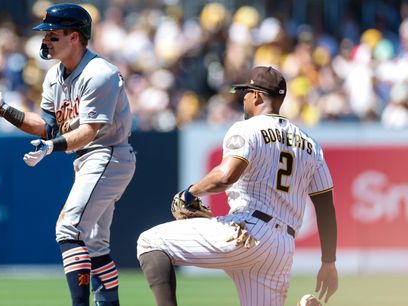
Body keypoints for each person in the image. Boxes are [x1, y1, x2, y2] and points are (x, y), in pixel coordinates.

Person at [0, 4, 136, 306]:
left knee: (68, 228)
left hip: (108, 154)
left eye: (53, 34)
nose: (45, 39)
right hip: (89, 158)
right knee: (95, 244)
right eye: (45, 34)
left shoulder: (100, 73)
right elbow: (47, 127)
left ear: (75, 37)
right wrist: (2, 109)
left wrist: (53, 146)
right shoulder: (53, 77)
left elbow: (90, 130)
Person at [137, 66, 338, 306]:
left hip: (248, 232)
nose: (242, 98)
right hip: (282, 248)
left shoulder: (248, 127)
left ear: (257, 96)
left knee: (150, 242)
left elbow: (225, 176)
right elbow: (326, 207)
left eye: (245, 92)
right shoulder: (311, 144)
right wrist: (328, 262)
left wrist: (191, 192)